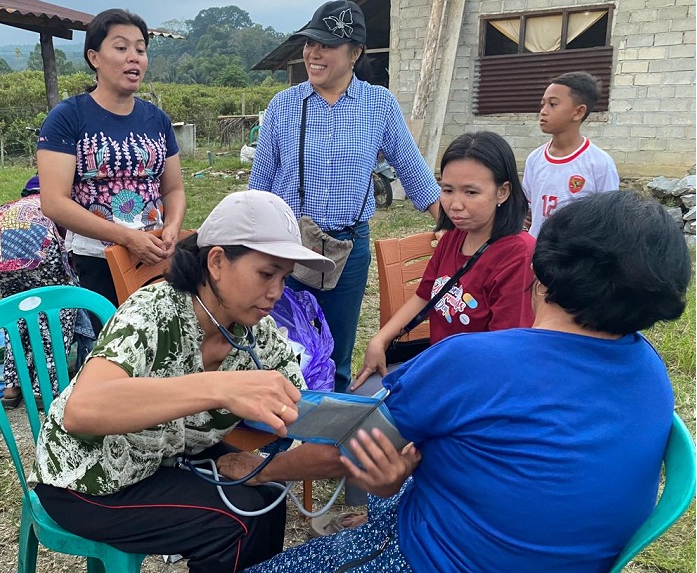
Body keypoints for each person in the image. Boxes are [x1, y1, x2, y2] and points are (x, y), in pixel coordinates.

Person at [245, 190, 690, 573]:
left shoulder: (473, 362)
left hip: (437, 557)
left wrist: (254, 469)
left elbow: (351, 446)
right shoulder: (650, 367)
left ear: (542, 268)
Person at [31, 191, 346, 573]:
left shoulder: (257, 337)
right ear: (216, 261)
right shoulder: (154, 312)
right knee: (234, 524)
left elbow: (308, 411)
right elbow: (83, 412)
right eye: (266, 273)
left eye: (284, 277)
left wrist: (354, 437)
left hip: (159, 458)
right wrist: (219, 388)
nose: (276, 292)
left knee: (267, 495)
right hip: (87, 477)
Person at [249, 0, 441, 394]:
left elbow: (415, 174)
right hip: (287, 248)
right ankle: (279, 446)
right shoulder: (284, 106)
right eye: (310, 43)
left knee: (336, 353)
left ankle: (325, 446)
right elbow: (259, 187)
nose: (313, 53)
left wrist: (459, 227)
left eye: (326, 46)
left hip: (348, 250)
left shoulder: (378, 105)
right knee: (280, 354)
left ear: (354, 54)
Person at [354, 131, 535, 391]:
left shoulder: (518, 255)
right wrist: (380, 340)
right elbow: (424, 295)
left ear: (502, 192)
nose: (455, 204)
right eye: (447, 190)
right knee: (359, 397)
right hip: (439, 366)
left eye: (471, 192)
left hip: (478, 383)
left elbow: (505, 349)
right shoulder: (454, 237)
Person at [37, 9, 186, 323]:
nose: (134, 57)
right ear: (95, 57)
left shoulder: (156, 119)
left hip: (156, 256)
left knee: (159, 345)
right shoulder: (68, 117)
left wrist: (171, 228)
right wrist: (127, 238)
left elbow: (173, 189)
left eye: (140, 50)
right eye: (121, 48)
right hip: (97, 261)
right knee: (111, 352)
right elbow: (54, 202)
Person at [0, 191, 75, 408]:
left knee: (18, 311)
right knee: (57, 309)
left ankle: (12, 388)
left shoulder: (19, 203)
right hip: (30, 241)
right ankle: (44, 388)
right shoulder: (62, 198)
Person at [524, 71, 619, 237]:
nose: (543, 111)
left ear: (578, 112)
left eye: (553, 104)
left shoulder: (600, 164)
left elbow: (608, 221)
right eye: (542, 104)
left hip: (574, 258)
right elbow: (529, 211)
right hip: (536, 255)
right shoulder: (535, 159)